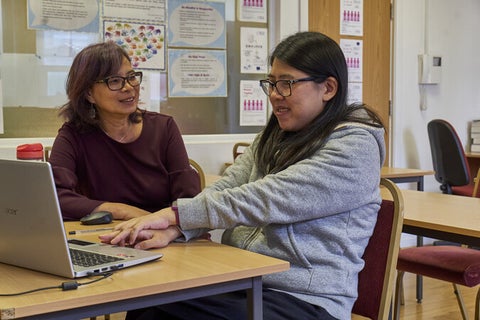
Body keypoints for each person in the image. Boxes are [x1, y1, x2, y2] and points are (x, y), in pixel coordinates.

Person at [100, 31, 386, 320]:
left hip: (306, 300)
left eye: (286, 84)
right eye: (272, 83)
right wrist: (178, 229)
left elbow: (269, 196)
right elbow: (229, 185)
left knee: (165, 308)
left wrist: (172, 216)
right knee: (151, 301)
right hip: (244, 278)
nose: (275, 94)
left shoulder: (355, 146)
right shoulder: (275, 136)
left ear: (328, 88)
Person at [48, 41, 200, 228]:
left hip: (162, 234)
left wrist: (163, 225)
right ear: (89, 94)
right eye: (114, 81)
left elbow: (189, 201)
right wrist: (121, 210)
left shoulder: (164, 128)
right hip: (105, 238)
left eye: (131, 77)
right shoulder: (73, 136)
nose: (128, 87)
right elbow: (54, 197)